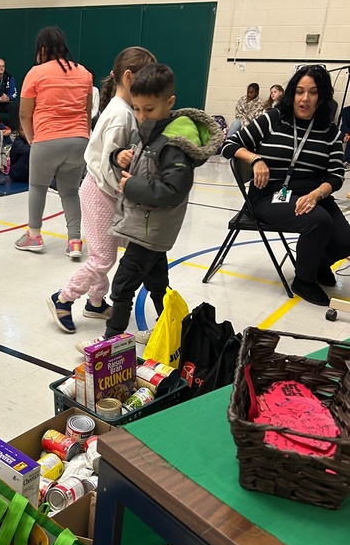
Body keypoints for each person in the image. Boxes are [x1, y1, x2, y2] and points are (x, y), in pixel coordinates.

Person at [96, 64, 221, 340]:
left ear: (170, 102)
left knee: (122, 285)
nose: (141, 116)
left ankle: (110, 342)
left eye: (149, 109)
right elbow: (141, 162)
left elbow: (172, 190)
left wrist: (131, 186)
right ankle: (172, 333)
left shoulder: (175, 143)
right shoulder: (151, 130)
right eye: (136, 108)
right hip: (146, 226)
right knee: (157, 283)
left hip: (151, 229)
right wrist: (119, 155)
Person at [47, 46, 156, 334]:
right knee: (102, 258)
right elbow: (109, 164)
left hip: (105, 192)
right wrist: (127, 189)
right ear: (130, 78)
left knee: (105, 251)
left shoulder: (125, 111)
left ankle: (95, 302)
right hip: (100, 192)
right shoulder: (121, 115)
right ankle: (63, 298)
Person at [223, 64, 349, 306]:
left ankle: (319, 262)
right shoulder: (272, 119)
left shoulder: (329, 130)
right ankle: (304, 280)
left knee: (346, 239)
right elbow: (231, 144)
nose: (305, 98)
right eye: (300, 91)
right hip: (268, 197)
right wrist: (255, 158)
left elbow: (335, 174)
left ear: (321, 97)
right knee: (319, 221)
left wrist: (316, 194)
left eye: (312, 92)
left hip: (313, 195)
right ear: (292, 93)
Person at [15, 27, 93, 257]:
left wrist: (32, 139)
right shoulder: (84, 73)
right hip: (79, 140)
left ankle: (34, 236)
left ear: (41, 49)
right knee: (70, 192)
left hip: (47, 138)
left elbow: (24, 114)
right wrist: (82, 137)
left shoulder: (36, 73)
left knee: (38, 187)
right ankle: (75, 241)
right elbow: (87, 113)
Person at [340, 105, 350, 170]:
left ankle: (348, 161)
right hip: (346, 131)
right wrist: (347, 134)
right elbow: (344, 124)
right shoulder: (346, 110)